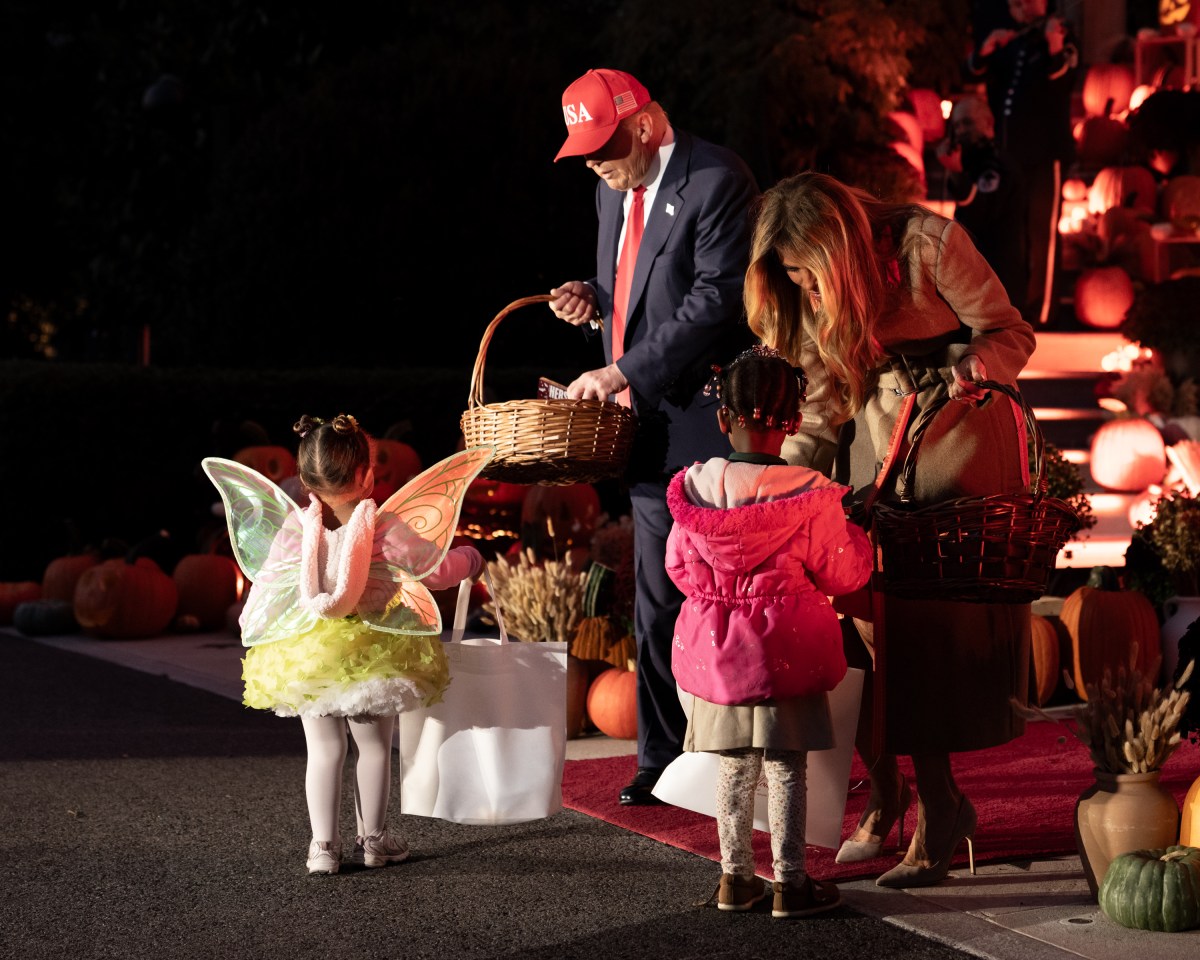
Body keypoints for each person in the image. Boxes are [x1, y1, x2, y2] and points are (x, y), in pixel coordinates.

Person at [744, 171, 1037, 888]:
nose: (808, 298)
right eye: (794, 283)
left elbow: (1010, 330)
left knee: (912, 631)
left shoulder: (929, 245)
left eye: (814, 281)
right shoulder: (804, 296)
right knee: (845, 625)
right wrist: (776, 486)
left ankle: (939, 810)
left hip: (953, 438)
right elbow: (818, 405)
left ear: (842, 251)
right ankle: (886, 791)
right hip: (872, 439)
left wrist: (976, 365)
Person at [548, 68, 759, 805]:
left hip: (707, 417)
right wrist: (591, 299)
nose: (595, 164)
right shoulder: (611, 187)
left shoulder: (717, 179)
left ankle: (735, 753)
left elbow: (714, 301)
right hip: (646, 422)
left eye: (603, 146)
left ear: (643, 124)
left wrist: (619, 370)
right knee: (655, 597)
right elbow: (636, 290)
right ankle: (660, 756)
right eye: (584, 152)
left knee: (722, 589)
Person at [205, 414, 487, 875]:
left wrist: (250, 621)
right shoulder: (387, 525)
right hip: (377, 649)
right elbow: (433, 570)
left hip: (308, 652)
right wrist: (470, 559)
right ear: (367, 474)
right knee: (374, 748)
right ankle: (373, 841)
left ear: (304, 479)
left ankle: (323, 848)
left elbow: (269, 582)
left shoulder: (296, 528)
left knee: (324, 750)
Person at [665, 346, 872, 917]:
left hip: (718, 650)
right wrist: (858, 536)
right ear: (794, 422)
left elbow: (679, 568)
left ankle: (734, 879)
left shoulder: (694, 489)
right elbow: (842, 570)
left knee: (733, 766)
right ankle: (791, 883)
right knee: (786, 767)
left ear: (723, 418)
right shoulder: (809, 492)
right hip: (789, 648)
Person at [966, 0, 1078, 326]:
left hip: (1045, 154)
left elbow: (1062, 77)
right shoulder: (1011, 40)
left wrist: (1053, 45)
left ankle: (1042, 311)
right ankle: (1011, 306)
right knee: (1011, 232)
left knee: (1042, 233)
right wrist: (986, 50)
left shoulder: (1060, 34)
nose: (1020, 4)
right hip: (1009, 155)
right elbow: (974, 69)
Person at [934, 94, 1028, 309]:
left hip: (997, 276)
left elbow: (981, 215)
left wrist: (958, 175)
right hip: (980, 275)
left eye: (967, 123)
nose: (961, 131)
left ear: (988, 124)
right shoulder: (974, 162)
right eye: (956, 126)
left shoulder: (996, 165)